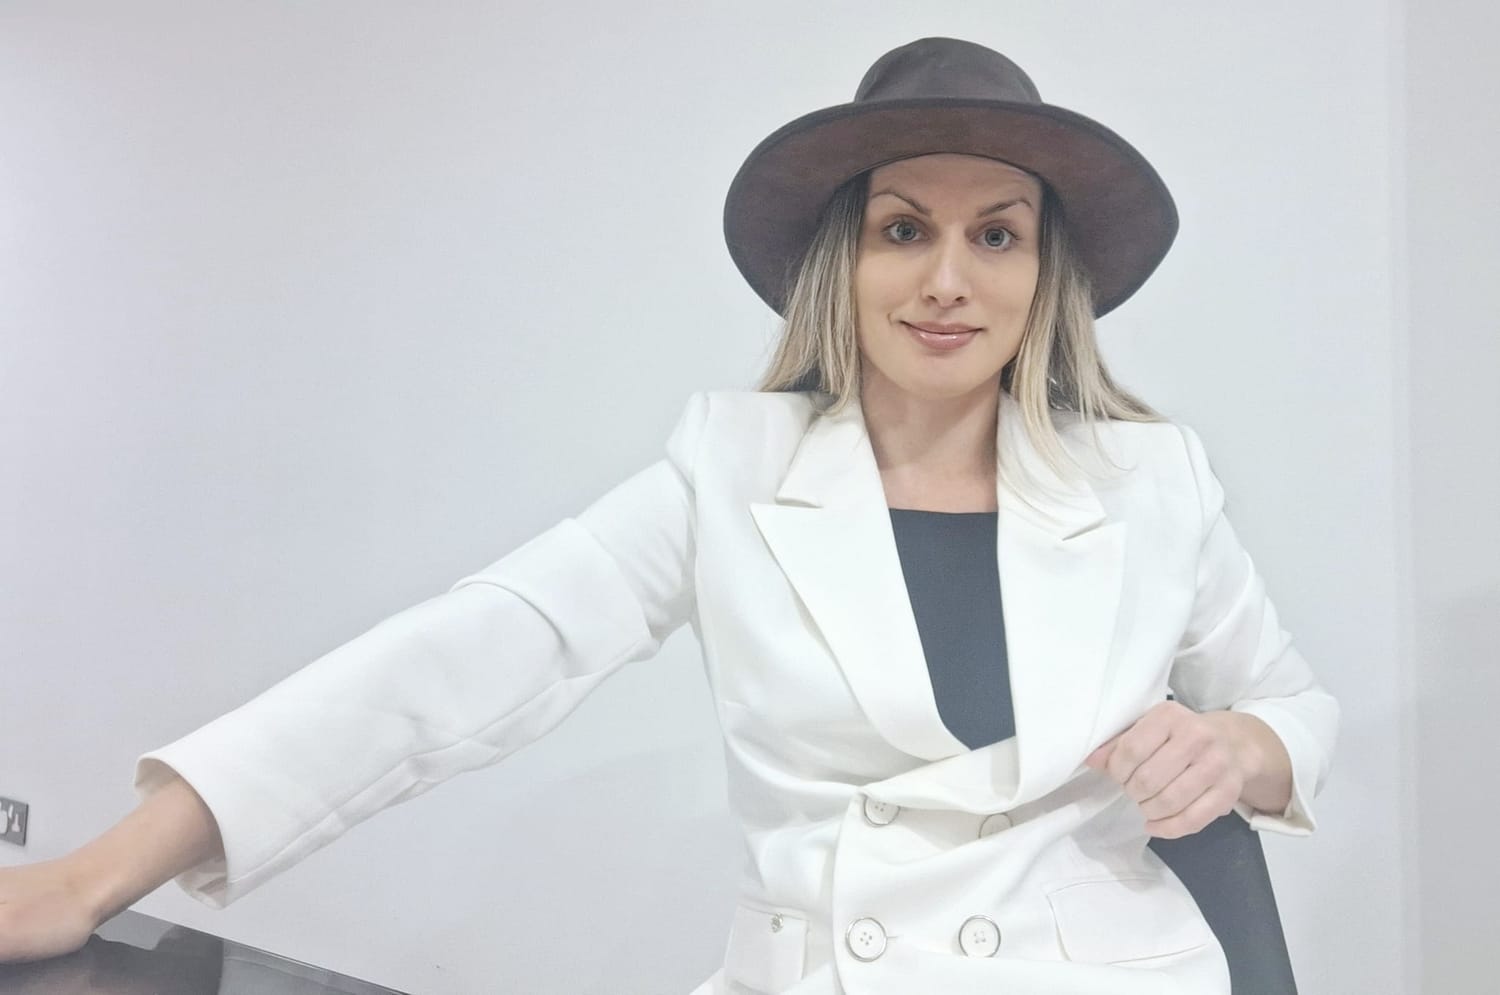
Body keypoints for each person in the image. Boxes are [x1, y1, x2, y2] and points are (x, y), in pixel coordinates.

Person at [0, 36, 1338, 994]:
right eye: (901, 230)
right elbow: (457, 662)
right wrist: (95, 876)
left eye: (997, 235)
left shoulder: (1153, 480)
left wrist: (1235, 748)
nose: (947, 279)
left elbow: (1290, 707)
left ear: (1046, 274)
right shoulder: (730, 470)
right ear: (840, 260)